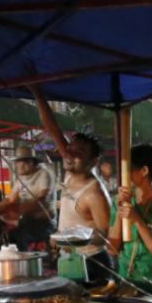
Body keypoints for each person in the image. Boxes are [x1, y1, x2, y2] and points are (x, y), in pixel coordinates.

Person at [30, 85, 112, 282]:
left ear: (93, 162)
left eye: (79, 152)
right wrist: (37, 93)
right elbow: (52, 127)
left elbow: (106, 235)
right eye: (70, 148)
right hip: (69, 259)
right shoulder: (71, 167)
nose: (70, 154)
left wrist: (75, 239)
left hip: (92, 264)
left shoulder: (94, 193)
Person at [108, 144, 152, 297]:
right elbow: (112, 249)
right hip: (125, 283)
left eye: (127, 171)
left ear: (144, 171)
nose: (122, 177)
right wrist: (119, 212)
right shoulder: (118, 202)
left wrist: (137, 220)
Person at [0, 146, 53, 250]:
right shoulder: (21, 179)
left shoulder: (43, 174)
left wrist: (17, 208)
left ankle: (26, 259)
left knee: (21, 237)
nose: (16, 165)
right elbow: (10, 200)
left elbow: (41, 200)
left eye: (19, 162)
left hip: (43, 223)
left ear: (30, 163)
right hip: (26, 221)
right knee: (5, 237)